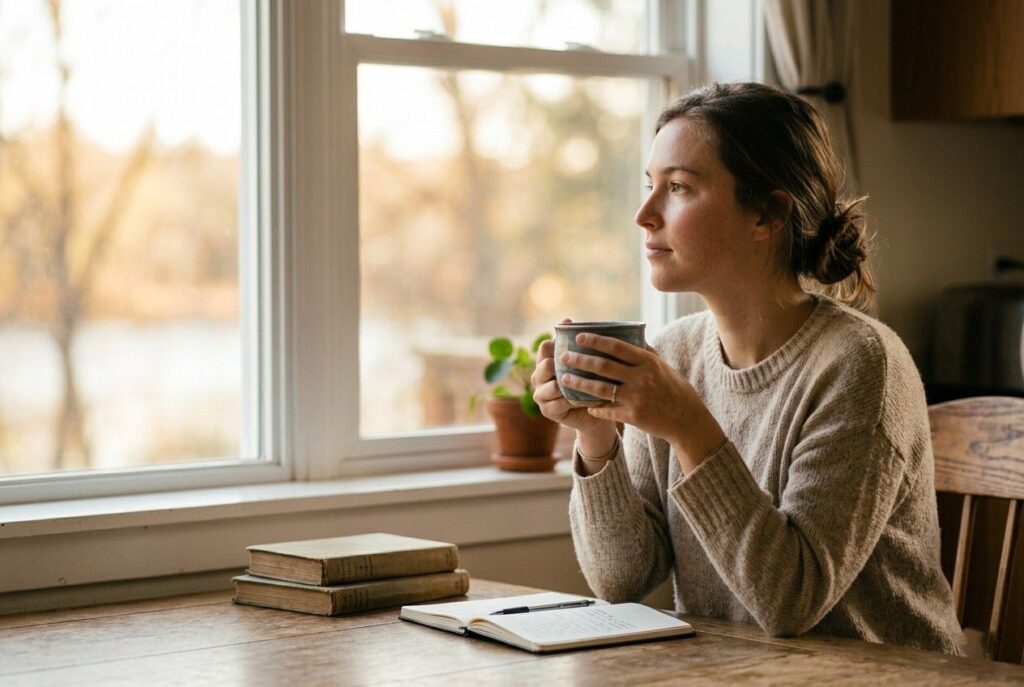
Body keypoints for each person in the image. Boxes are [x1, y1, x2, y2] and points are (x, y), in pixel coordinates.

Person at [531, 82, 962, 654]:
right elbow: (622, 579)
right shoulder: (677, 352)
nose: (643, 215)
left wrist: (689, 426)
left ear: (765, 214)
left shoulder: (862, 365)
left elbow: (792, 600)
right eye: (648, 186)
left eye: (679, 187)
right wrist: (595, 434)